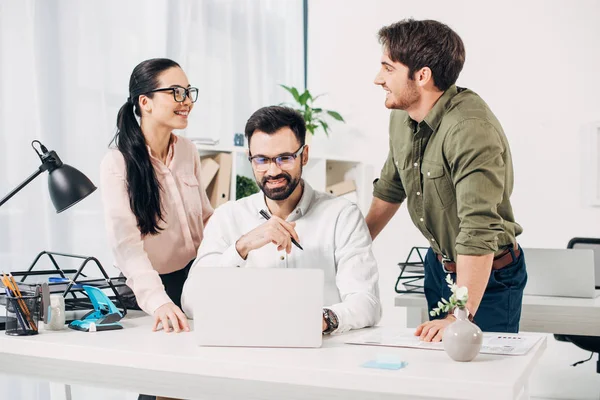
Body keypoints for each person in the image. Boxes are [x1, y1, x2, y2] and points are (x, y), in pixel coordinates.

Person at [366, 19, 527, 342]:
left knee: (480, 383)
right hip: (440, 267)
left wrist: (459, 314)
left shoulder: (469, 130)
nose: (378, 79)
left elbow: (477, 230)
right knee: (441, 374)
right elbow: (391, 186)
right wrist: (351, 248)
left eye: (388, 68)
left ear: (422, 76)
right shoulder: (402, 116)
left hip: (489, 274)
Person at [181, 106, 381, 334]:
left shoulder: (342, 216)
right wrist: (241, 247)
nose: (273, 171)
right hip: (247, 351)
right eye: (261, 160)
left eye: (284, 158)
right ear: (251, 160)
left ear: (304, 155)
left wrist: (323, 319)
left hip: (323, 351)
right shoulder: (227, 217)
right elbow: (191, 303)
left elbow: (367, 302)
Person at [100, 58, 213, 335]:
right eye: (176, 92)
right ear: (145, 102)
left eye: (188, 92)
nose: (186, 101)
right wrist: (158, 301)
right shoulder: (117, 164)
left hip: (193, 281)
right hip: (146, 293)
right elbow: (127, 246)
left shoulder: (188, 151)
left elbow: (207, 218)